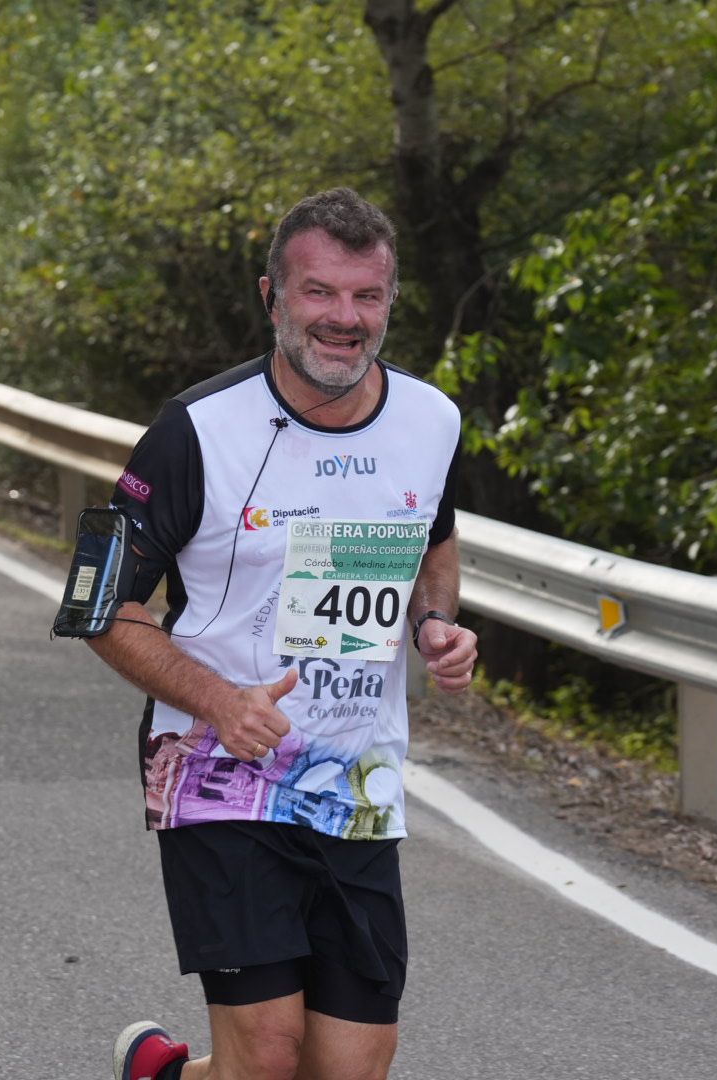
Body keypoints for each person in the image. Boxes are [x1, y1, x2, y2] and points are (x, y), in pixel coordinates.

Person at [77, 189, 478, 1080]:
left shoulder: (431, 420)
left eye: (366, 297)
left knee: (348, 1070)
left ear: (389, 303)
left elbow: (435, 536)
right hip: (218, 767)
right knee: (266, 1059)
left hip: (358, 775)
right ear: (273, 296)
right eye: (319, 293)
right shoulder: (193, 431)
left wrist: (436, 621)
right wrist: (218, 700)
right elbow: (100, 606)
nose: (344, 319)